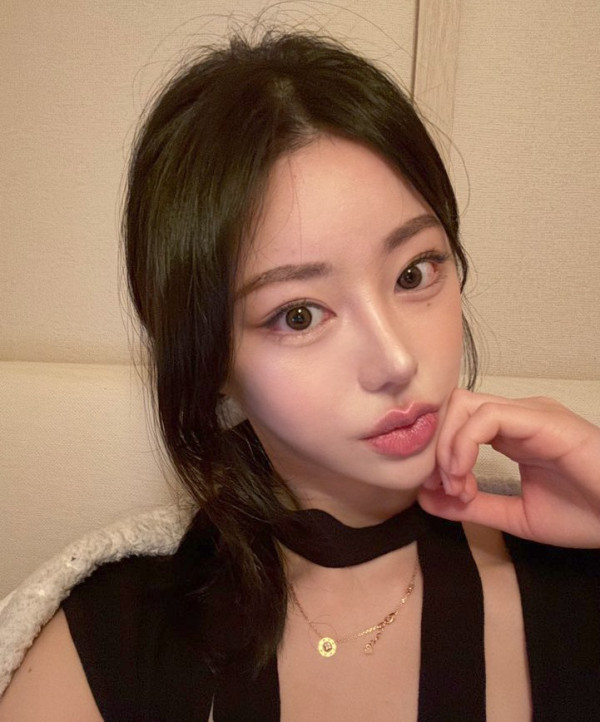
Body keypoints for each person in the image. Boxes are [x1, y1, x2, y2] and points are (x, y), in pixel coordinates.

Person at [1, 30, 599, 722]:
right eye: (299, 315)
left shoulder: (571, 565)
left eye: (414, 273)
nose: (396, 361)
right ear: (211, 366)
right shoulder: (112, 643)